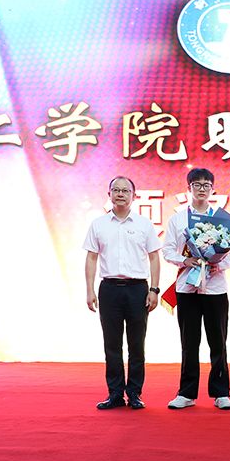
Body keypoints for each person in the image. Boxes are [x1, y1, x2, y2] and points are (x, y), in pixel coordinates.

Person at [163, 168, 230, 410]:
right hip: (187, 288)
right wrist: (185, 260)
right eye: (197, 184)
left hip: (215, 289)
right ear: (189, 188)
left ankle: (221, 392)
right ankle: (186, 393)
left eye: (206, 185)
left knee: (218, 342)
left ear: (213, 189)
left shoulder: (223, 220)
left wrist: (216, 264)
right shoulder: (178, 220)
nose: (202, 189)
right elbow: (168, 251)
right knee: (189, 342)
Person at [84, 176, 161, 410]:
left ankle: (135, 394)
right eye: (116, 190)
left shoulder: (144, 224)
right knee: (112, 345)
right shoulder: (98, 224)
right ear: (109, 194)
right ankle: (115, 394)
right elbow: (91, 258)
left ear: (133, 196)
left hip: (138, 290)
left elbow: (154, 257)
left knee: (137, 345)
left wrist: (154, 289)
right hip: (109, 289)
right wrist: (89, 290)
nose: (120, 194)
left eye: (125, 190)